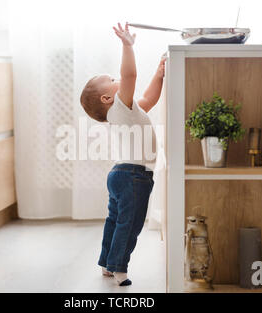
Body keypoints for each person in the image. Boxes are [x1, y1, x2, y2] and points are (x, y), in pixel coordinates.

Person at [80, 22, 165, 286]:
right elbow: (129, 76)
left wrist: (160, 74)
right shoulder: (119, 108)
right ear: (108, 99)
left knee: (115, 219)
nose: (120, 82)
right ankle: (119, 268)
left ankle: (107, 262)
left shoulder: (127, 111)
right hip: (133, 176)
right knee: (130, 224)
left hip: (121, 174)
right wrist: (127, 46)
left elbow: (149, 100)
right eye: (113, 82)